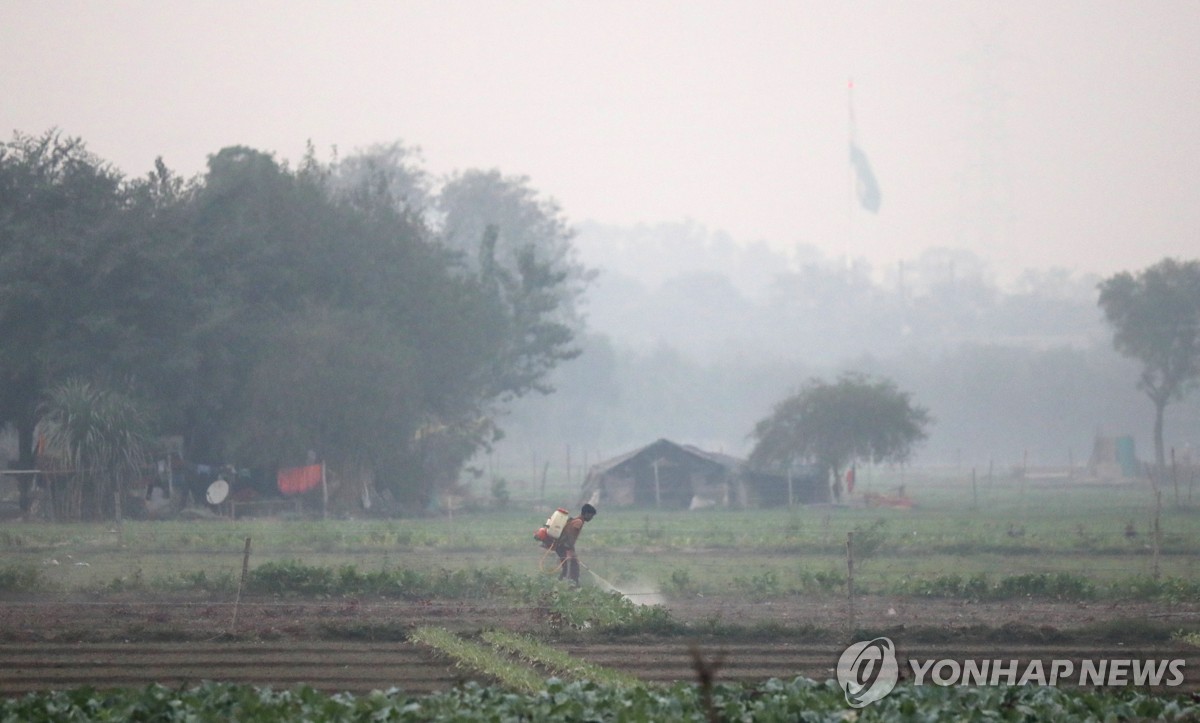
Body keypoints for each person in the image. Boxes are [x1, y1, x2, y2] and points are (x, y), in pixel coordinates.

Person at [555, 503, 596, 585]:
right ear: (586, 514)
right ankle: (573, 585)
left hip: (562, 546)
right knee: (573, 568)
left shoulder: (576, 520)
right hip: (563, 547)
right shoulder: (579, 522)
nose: (591, 518)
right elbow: (570, 535)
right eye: (591, 516)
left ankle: (564, 584)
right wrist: (571, 550)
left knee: (567, 568)